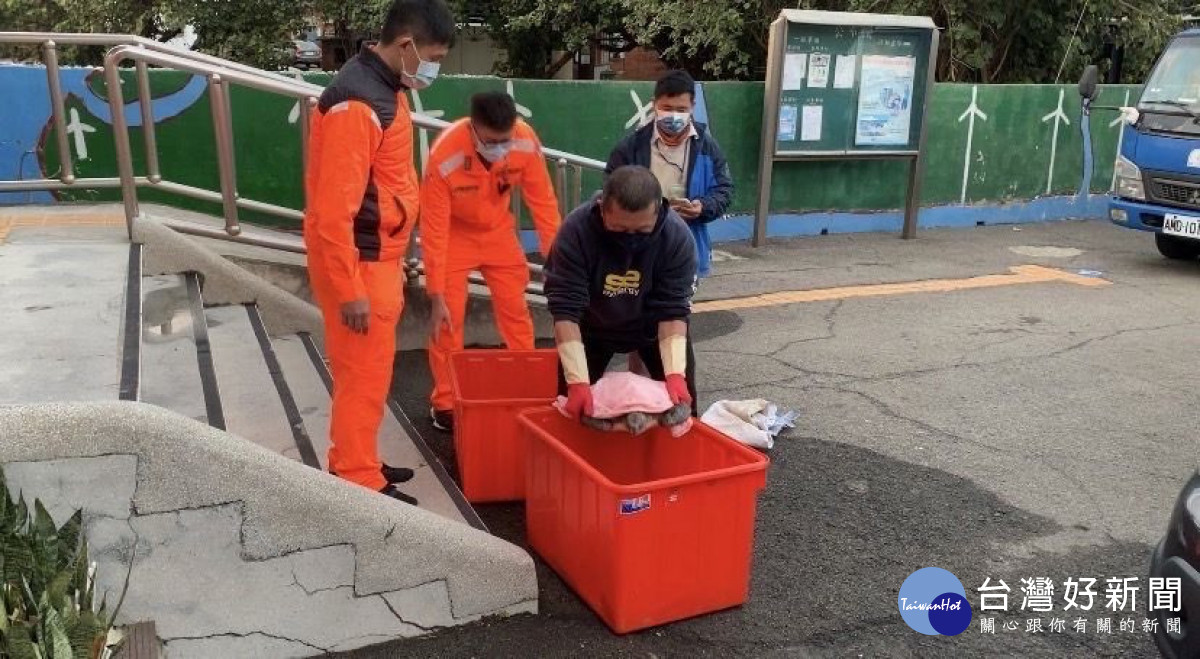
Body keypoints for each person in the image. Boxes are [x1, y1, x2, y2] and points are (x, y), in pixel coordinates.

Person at [302, 0, 455, 504]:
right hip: (360, 266)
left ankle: (361, 458)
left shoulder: (385, 87)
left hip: (378, 260)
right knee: (361, 377)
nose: (434, 69)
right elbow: (333, 212)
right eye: (432, 57)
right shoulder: (360, 102)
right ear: (406, 45)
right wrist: (350, 290)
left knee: (370, 374)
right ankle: (354, 477)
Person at [420, 91, 561, 431]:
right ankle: (445, 400)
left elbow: (542, 201)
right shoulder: (445, 155)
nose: (502, 147)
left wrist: (557, 260)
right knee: (447, 321)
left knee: (516, 311)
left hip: (498, 232)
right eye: (493, 141)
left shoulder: (524, 141)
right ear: (474, 129)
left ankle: (525, 386)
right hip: (455, 236)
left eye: (507, 139)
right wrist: (435, 290)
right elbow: (434, 228)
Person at [544, 165, 698, 420]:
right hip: (590, 328)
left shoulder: (676, 237)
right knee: (573, 411)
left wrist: (674, 375)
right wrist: (577, 381)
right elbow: (565, 312)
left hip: (653, 329)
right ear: (602, 208)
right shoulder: (576, 232)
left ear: (659, 211)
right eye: (619, 229)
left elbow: (672, 311)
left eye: (641, 231)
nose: (630, 239)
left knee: (683, 412)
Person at [605, 69, 734, 280]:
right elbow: (611, 191)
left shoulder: (707, 147)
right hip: (639, 247)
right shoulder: (631, 147)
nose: (674, 116)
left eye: (681, 109)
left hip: (687, 244)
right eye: (666, 108)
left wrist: (703, 206)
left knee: (677, 308)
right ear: (654, 104)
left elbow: (724, 190)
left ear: (693, 106)